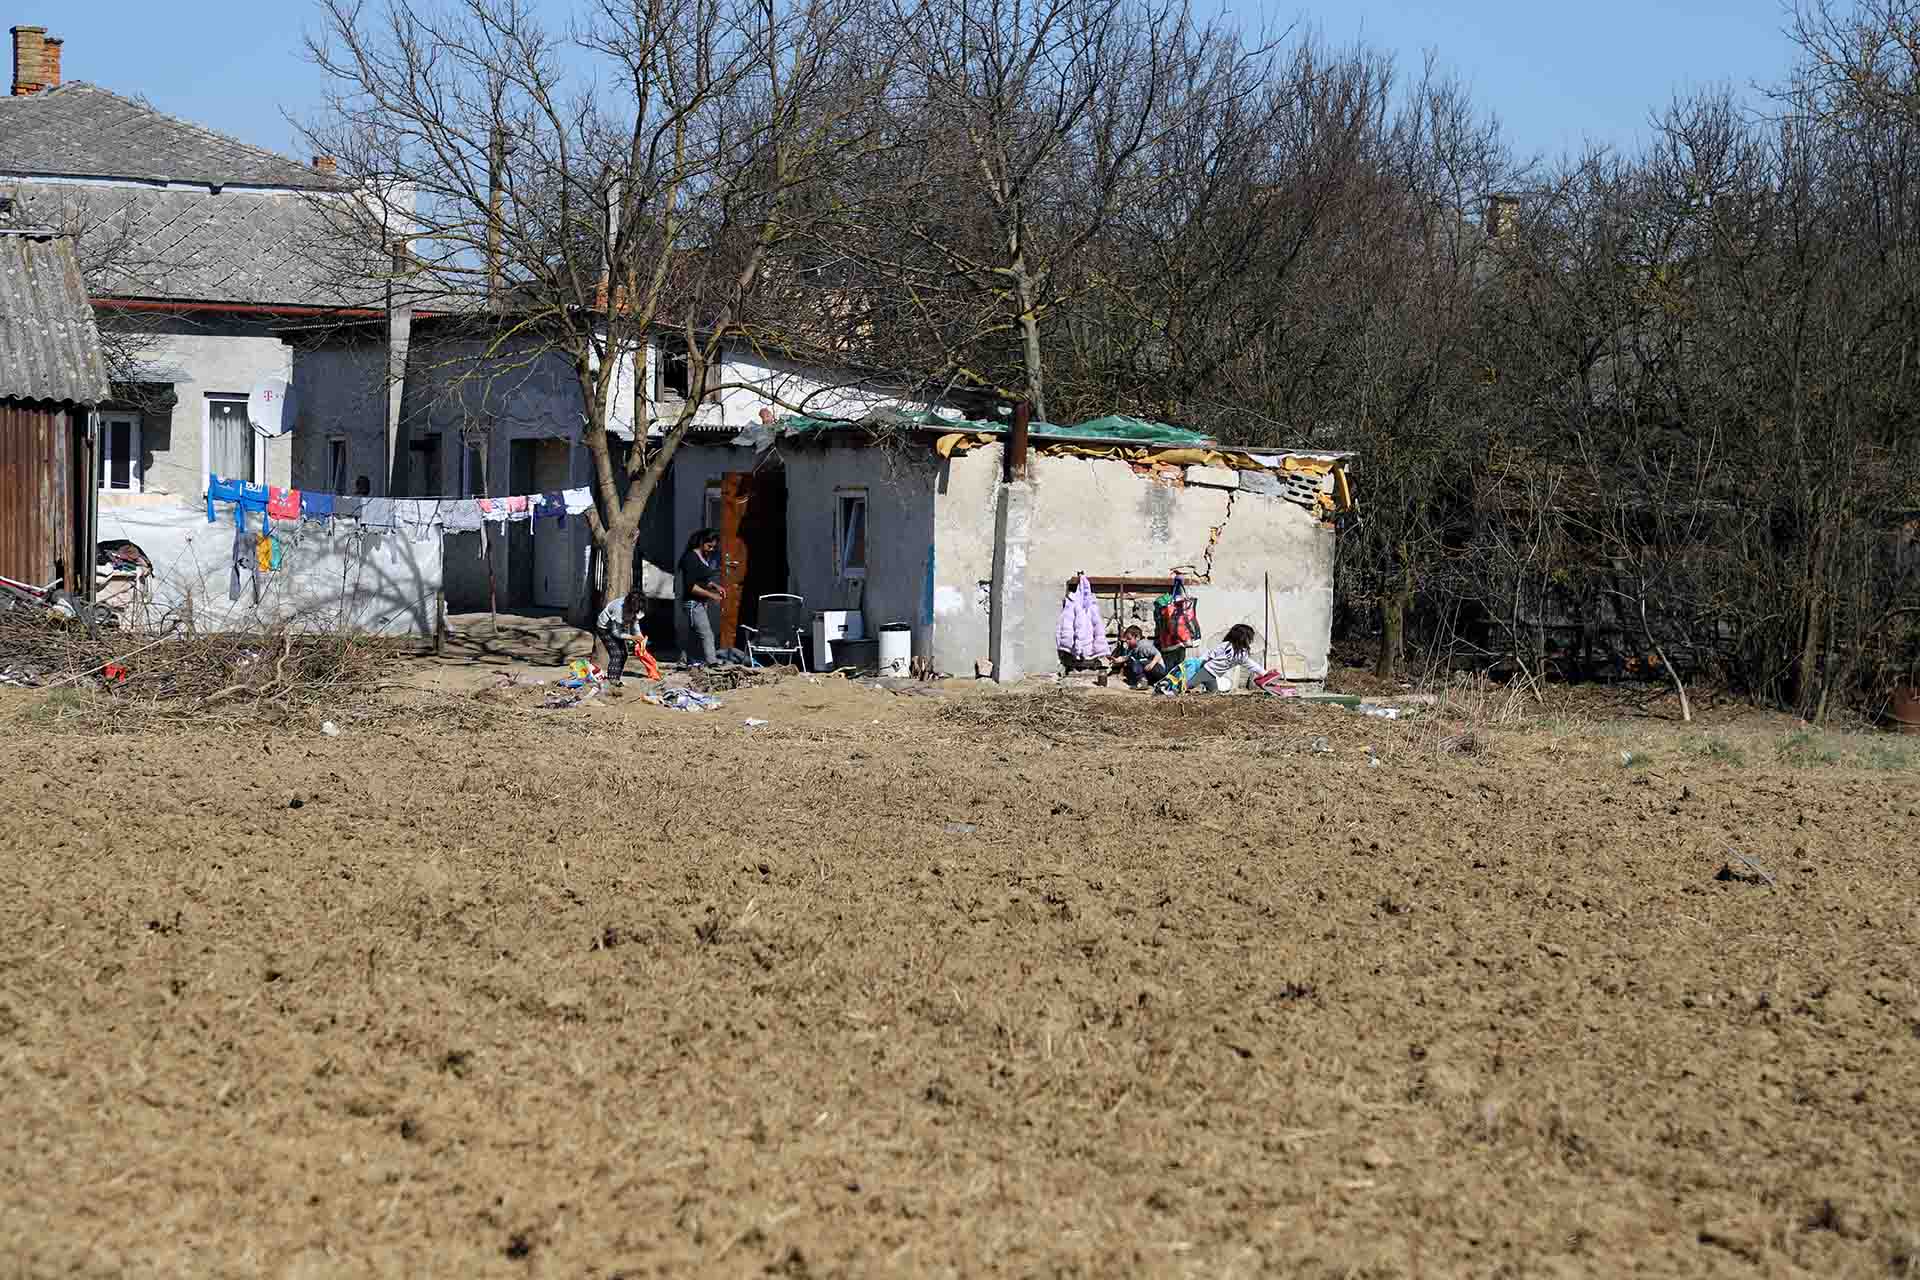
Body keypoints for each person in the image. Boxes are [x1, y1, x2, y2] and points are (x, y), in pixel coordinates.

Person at [678, 527, 725, 665]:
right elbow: (691, 586)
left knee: (694, 636)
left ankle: (683, 661)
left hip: (699, 603)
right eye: (709, 546)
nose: (711, 550)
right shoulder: (691, 558)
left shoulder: (702, 557)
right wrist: (712, 595)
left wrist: (716, 586)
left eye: (713, 547)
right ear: (701, 542)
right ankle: (713, 663)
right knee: (706, 633)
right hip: (693, 603)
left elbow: (702, 579)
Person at [1192, 622, 1263, 692]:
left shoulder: (1242, 654)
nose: (1251, 640)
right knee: (1189, 685)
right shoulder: (1226, 646)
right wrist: (1199, 662)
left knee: (1214, 692)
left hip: (1213, 676)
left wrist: (1265, 673)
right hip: (1206, 671)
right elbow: (1210, 654)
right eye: (1249, 638)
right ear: (1242, 637)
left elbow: (1252, 665)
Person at [597, 587, 645, 689]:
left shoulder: (636, 606)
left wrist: (640, 637)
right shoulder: (618, 608)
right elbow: (615, 633)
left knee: (624, 654)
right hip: (605, 628)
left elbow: (635, 623)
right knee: (616, 654)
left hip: (618, 629)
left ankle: (617, 679)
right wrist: (632, 637)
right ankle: (612, 681)